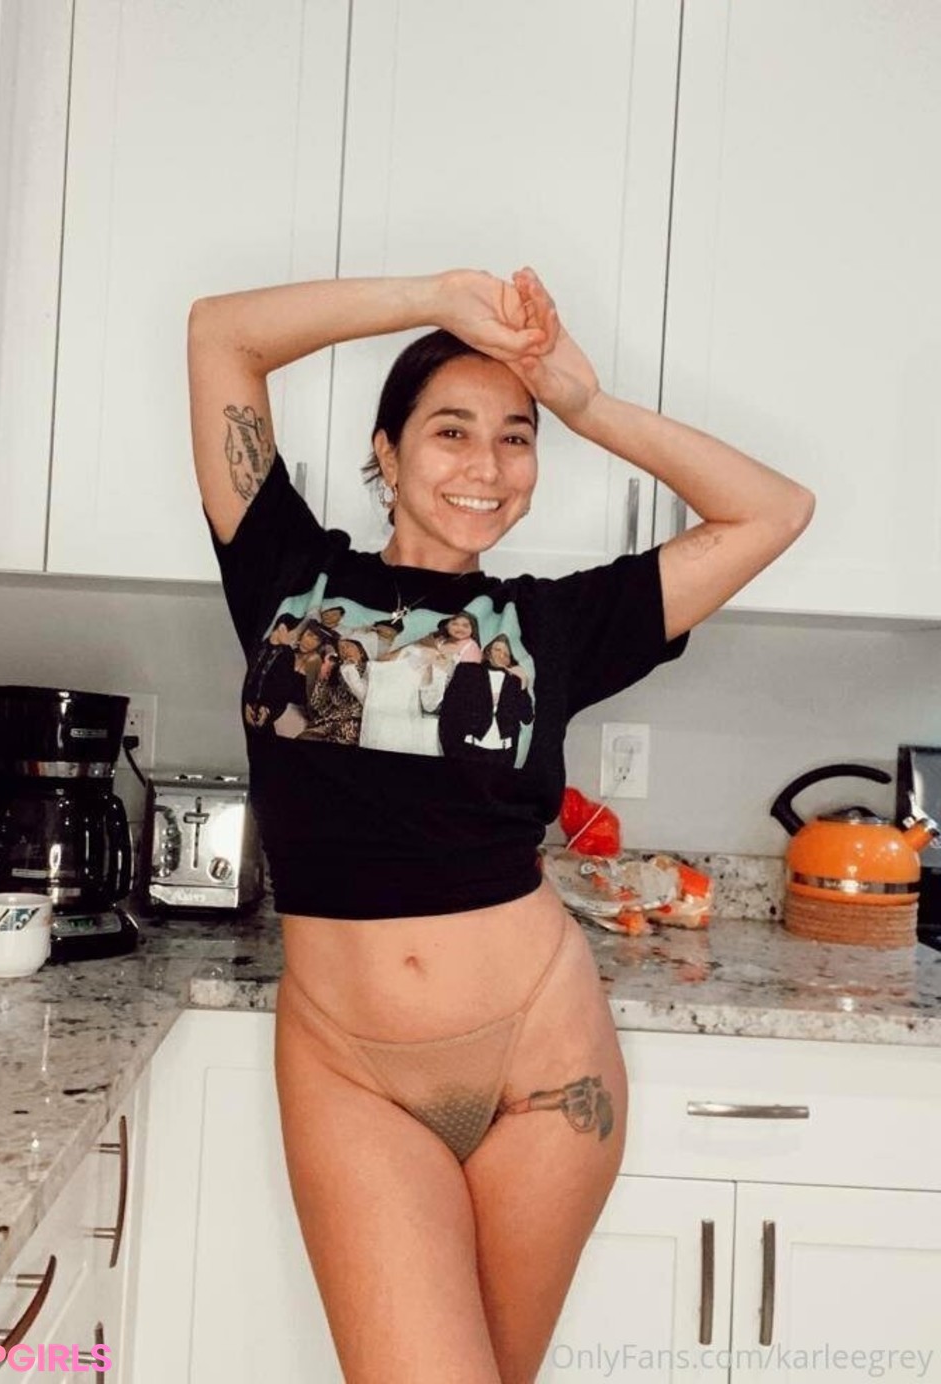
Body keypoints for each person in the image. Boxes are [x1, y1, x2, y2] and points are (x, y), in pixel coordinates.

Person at [188, 266, 813, 1384]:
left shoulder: (554, 625)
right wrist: (436, 296)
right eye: (451, 431)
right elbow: (220, 334)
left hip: (542, 1059)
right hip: (348, 1067)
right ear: (386, 454)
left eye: (515, 439)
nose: (486, 465)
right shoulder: (286, 575)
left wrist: (585, 402)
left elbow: (774, 510)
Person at [440, 633, 534, 766]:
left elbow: (527, 718)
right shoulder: (467, 671)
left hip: (503, 755)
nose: (502, 655)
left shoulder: (515, 682)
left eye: (506, 654)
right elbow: (448, 712)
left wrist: (523, 684)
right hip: (468, 750)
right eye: (497, 649)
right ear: (488, 652)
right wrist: (451, 751)